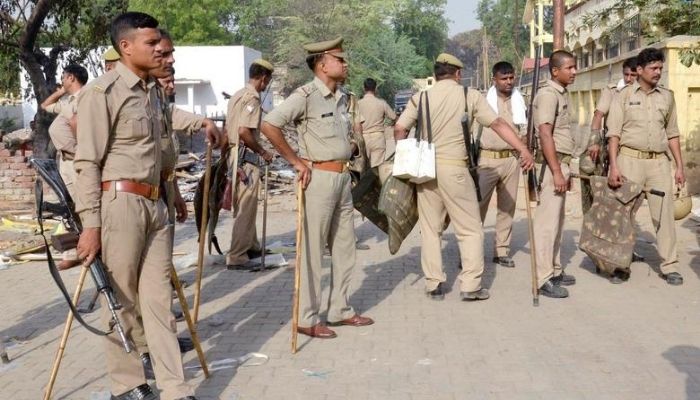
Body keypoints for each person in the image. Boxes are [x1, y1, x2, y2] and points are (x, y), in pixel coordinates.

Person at [74, 12, 219, 400]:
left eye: (161, 44)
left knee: (159, 302)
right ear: (126, 47)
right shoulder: (102, 93)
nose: (160, 50)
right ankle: (128, 385)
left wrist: (171, 192)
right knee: (119, 299)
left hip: (156, 206)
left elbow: (162, 146)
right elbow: (87, 161)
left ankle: (175, 388)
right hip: (120, 204)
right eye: (152, 43)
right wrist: (90, 225)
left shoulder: (154, 92)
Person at [394, 53, 534, 302]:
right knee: (470, 229)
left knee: (430, 229)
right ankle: (470, 285)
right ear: (457, 73)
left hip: (425, 171)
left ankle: (434, 283)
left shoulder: (421, 97)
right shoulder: (468, 95)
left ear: (436, 75)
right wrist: (522, 149)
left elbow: (399, 129)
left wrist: (406, 155)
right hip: (456, 170)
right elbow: (498, 124)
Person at [261, 37, 374, 339]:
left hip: (342, 177)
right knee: (313, 251)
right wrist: (296, 162)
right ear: (323, 64)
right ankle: (307, 317)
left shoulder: (343, 98)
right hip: (318, 178)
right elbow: (270, 124)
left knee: (345, 246)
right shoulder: (306, 95)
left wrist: (350, 146)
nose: (345, 63)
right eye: (340, 59)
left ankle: (340, 309)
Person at [606, 47, 686, 286]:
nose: (658, 72)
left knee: (664, 215)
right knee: (624, 214)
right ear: (639, 70)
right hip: (629, 160)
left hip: (659, 163)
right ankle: (621, 265)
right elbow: (614, 135)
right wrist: (613, 166)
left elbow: (672, 134)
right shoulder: (623, 96)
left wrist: (679, 167)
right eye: (653, 68)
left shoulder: (667, 97)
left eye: (660, 68)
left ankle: (669, 265)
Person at [532, 50, 580, 299]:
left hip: (561, 163)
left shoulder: (561, 93)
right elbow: (545, 134)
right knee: (546, 226)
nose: (574, 71)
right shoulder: (549, 95)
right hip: (553, 166)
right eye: (569, 67)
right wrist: (557, 171)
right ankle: (542, 279)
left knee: (558, 223)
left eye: (574, 67)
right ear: (555, 71)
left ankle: (554, 269)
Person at [225, 59, 275, 270]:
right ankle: (237, 255)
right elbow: (244, 131)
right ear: (263, 78)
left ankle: (251, 245)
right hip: (246, 158)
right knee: (246, 206)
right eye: (267, 81)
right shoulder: (252, 98)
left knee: (248, 203)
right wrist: (263, 151)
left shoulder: (237, 94)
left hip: (235, 154)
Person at [477, 61, 527, 268]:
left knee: (507, 208)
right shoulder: (482, 102)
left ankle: (501, 251)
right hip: (486, 161)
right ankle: (471, 253)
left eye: (511, 78)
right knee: (477, 209)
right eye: (503, 78)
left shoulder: (519, 100)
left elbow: (524, 129)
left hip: (511, 160)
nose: (508, 82)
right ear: (494, 80)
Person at [41, 63, 88, 270]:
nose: (61, 80)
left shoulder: (87, 97)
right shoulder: (69, 100)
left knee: (83, 204)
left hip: (78, 159)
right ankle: (77, 249)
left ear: (72, 78)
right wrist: (61, 91)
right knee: (72, 207)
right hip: (66, 161)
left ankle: (90, 248)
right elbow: (45, 106)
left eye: (64, 77)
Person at [581, 57, 638, 214]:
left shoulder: (642, 93)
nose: (629, 79)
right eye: (626, 74)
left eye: (633, 75)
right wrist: (594, 141)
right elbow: (598, 114)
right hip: (612, 145)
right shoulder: (613, 90)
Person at [358, 78, 396, 168]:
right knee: (378, 169)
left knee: (364, 170)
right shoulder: (381, 103)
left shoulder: (358, 104)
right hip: (378, 138)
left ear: (364, 88)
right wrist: (390, 125)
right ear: (375, 89)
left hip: (363, 138)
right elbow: (394, 117)